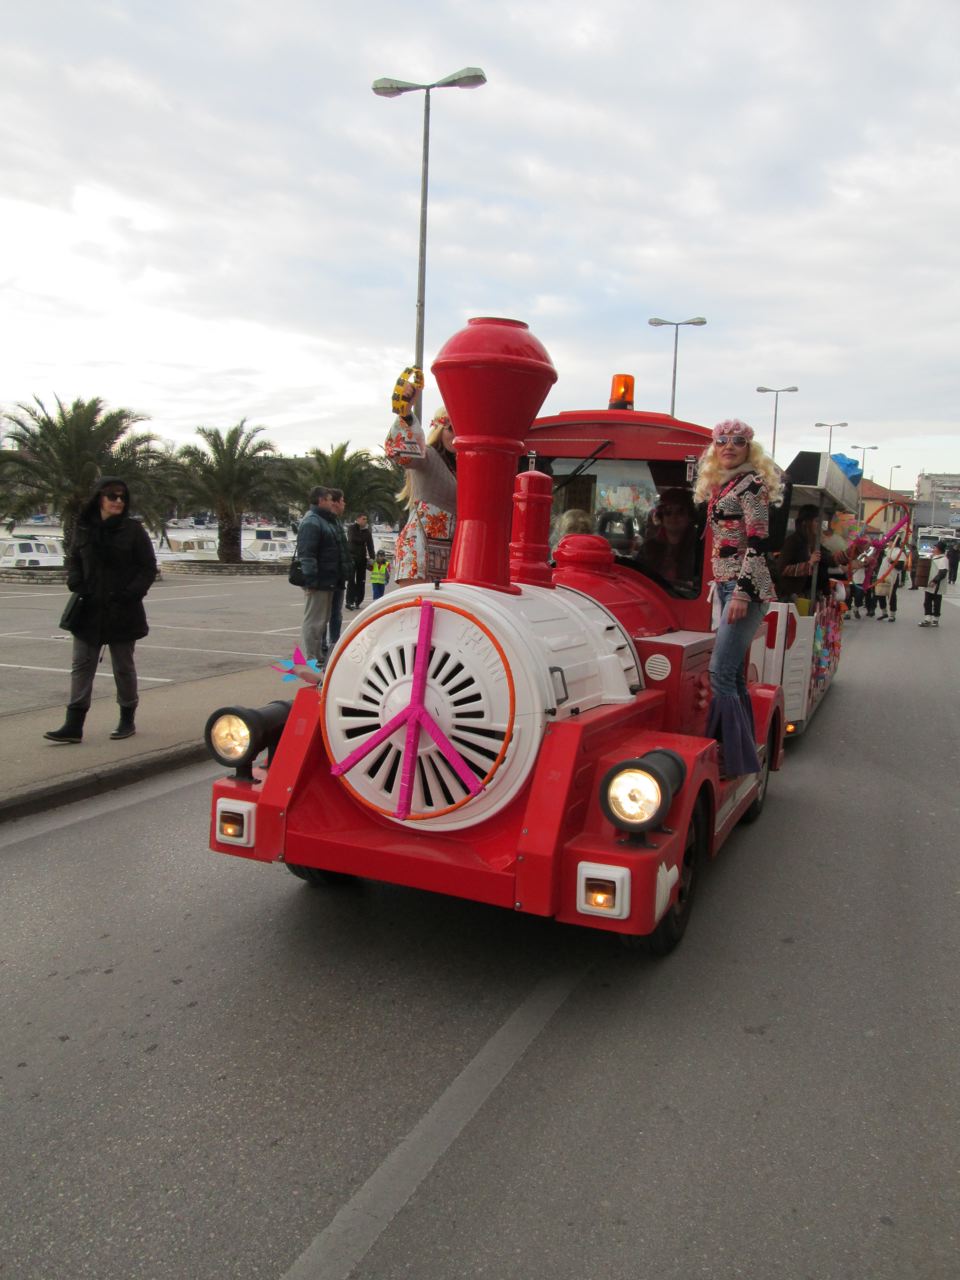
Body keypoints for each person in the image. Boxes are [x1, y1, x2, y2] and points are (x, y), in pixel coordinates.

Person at [694, 420, 782, 777]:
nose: (729, 446)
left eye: (738, 441)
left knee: (721, 671)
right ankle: (739, 751)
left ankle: (728, 756)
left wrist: (742, 593)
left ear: (750, 447)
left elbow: (758, 541)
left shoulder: (752, 484)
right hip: (729, 586)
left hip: (744, 588)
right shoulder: (726, 484)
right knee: (728, 674)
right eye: (722, 441)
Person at [44, 477, 157, 744]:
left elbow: (148, 567)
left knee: (123, 667)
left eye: (122, 497)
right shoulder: (84, 528)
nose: (118, 501)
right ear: (99, 498)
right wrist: (76, 581)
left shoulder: (133, 530)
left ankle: (126, 718)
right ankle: (73, 725)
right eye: (112, 496)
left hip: (122, 609)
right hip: (88, 609)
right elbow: (74, 559)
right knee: (81, 666)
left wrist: (130, 594)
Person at [385, 374, 457, 585]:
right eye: (451, 428)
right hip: (419, 551)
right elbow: (405, 453)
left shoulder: (463, 467)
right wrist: (406, 413)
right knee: (417, 613)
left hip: (447, 555)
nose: (456, 435)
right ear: (439, 429)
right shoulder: (428, 456)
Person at [295, 486, 350, 663]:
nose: (332, 502)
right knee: (314, 622)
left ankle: (318, 656)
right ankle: (310, 658)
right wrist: (311, 580)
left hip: (329, 579)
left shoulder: (326, 521)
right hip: (318, 581)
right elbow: (307, 553)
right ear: (321, 501)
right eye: (328, 499)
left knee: (321, 621)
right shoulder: (312, 522)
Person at [636, 488, 698, 587]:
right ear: (662, 516)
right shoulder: (649, 547)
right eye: (668, 512)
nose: (674, 517)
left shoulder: (700, 547)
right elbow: (638, 579)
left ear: (690, 516)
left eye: (680, 511)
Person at [345, 513, 375, 611]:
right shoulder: (352, 528)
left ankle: (358, 601)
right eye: (363, 519)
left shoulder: (367, 531)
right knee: (351, 581)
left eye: (366, 519)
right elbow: (353, 539)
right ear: (358, 519)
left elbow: (370, 545)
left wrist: (372, 558)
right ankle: (349, 601)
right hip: (352, 558)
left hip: (362, 559)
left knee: (361, 581)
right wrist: (363, 540)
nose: (365, 521)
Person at [874, 537, 906, 621]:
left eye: (891, 541)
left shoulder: (899, 552)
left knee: (891, 595)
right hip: (882, 575)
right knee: (880, 593)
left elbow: (900, 567)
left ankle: (892, 614)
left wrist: (892, 562)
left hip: (893, 576)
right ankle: (884, 612)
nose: (889, 543)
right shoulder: (887, 550)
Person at [919, 540, 949, 627]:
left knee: (936, 603)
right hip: (929, 584)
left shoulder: (943, 559)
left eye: (935, 548)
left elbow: (942, 572)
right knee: (927, 602)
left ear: (939, 549)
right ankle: (927, 619)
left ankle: (935, 620)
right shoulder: (934, 557)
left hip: (936, 585)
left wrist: (935, 581)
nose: (933, 549)